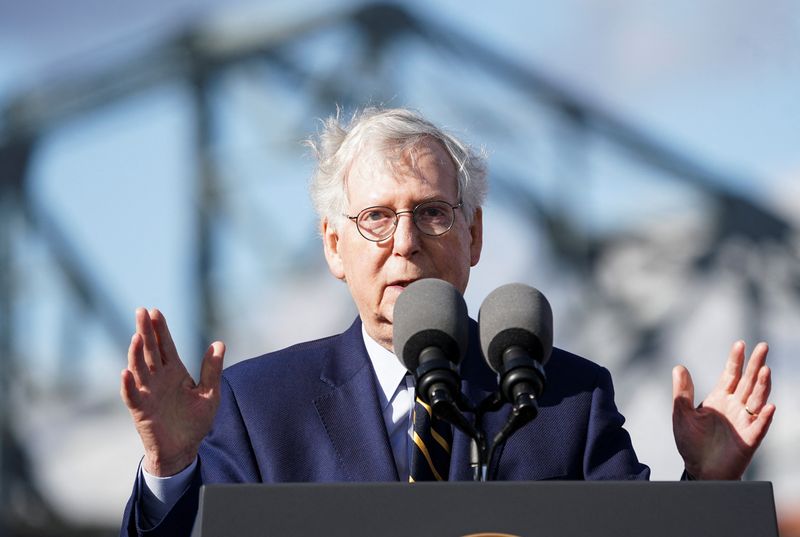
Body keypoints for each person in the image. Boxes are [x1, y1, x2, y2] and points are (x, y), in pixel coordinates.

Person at [119, 107, 775, 536]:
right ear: (331, 245)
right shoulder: (256, 405)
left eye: (433, 212)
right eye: (376, 216)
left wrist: (707, 486)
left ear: (475, 235)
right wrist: (172, 463)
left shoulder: (566, 398)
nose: (405, 241)